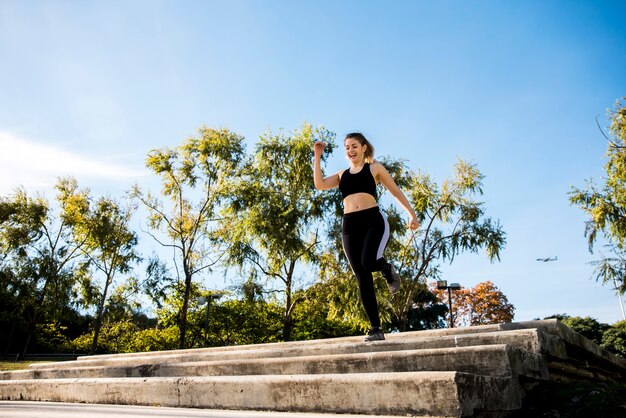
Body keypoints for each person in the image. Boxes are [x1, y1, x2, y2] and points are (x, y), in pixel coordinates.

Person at [313, 132, 419, 342]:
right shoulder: (342, 175)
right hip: (350, 225)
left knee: (368, 261)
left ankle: (387, 268)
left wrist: (411, 214)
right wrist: (317, 156)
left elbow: (395, 190)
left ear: (363, 148)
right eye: (347, 148)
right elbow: (320, 184)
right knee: (361, 276)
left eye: (354, 146)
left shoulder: (375, 168)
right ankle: (376, 329)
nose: (350, 151)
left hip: (373, 221)